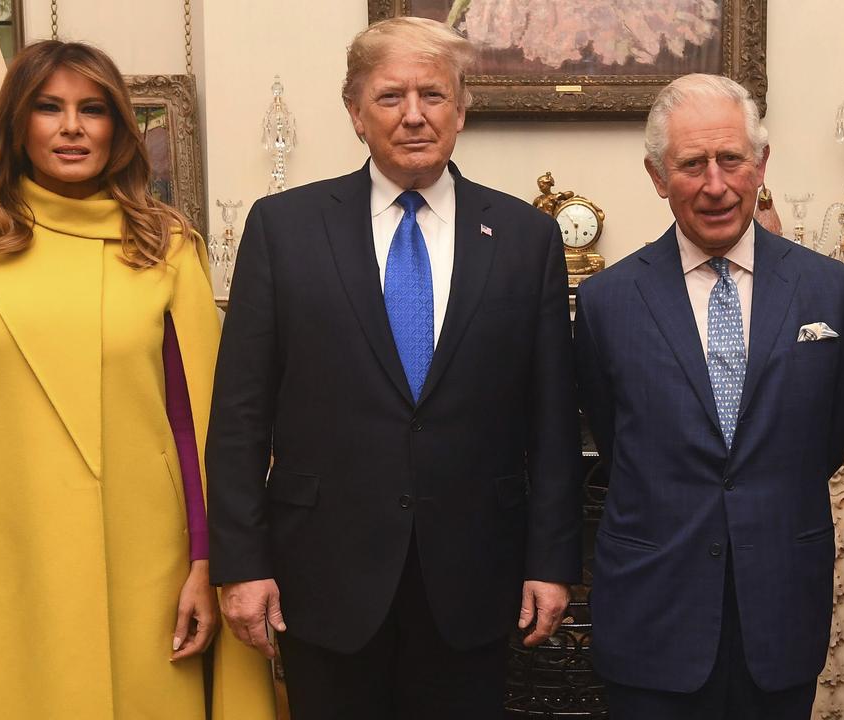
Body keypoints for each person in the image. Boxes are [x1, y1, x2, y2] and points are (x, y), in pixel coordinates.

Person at [206, 16, 582, 719]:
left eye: (434, 95)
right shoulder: (283, 230)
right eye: (390, 96)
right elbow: (239, 418)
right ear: (355, 112)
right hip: (323, 577)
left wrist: (552, 561)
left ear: (462, 109)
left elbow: (554, 419)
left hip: (474, 576)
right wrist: (242, 564)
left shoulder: (526, 238)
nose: (414, 115)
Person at [0, 41, 274, 719]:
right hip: (2, 560)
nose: (72, 126)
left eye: (92, 109)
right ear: (17, 125)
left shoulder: (167, 247)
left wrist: (205, 562)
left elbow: (200, 429)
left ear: (117, 129)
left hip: (149, 569)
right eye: (49, 108)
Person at [574, 73, 844, 719]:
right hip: (654, 611)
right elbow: (619, 442)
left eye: (731, 159)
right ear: (656, 175)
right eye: (691, 164)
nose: (715, 184)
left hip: (782, 611)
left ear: (760, 164)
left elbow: (825, 437)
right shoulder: (606, 302)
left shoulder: (830, 291)